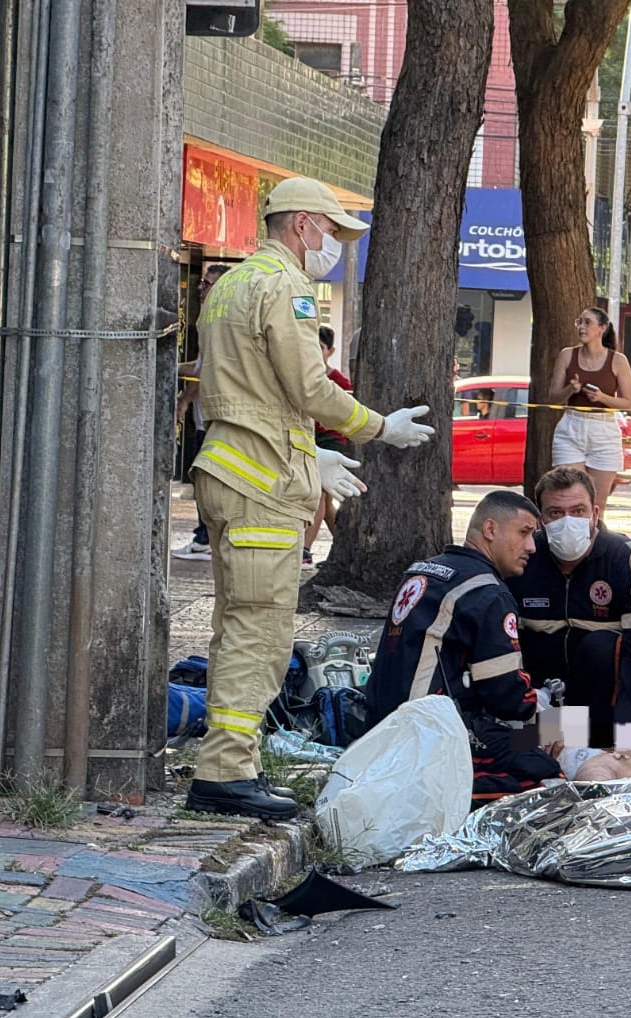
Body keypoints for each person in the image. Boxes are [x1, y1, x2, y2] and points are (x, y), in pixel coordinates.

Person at [187, 176, 436, 820]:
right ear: (302, 225)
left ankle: (224, 763)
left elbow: (250, 392)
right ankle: (224, 775)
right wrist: (380, 427)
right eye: (330, 230)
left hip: (230, 467)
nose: (333, 245)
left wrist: (312, 455)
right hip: (261, 482)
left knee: (234, 626)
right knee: (260, 633)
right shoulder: (287, 286)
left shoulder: (230, 285)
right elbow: (309, 386)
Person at [365, 490, 561, 797]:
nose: (532, 547)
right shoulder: (488, 591)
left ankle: (622, 741)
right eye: (524, 532)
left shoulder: (426, 569)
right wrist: (544, 709)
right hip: (426, 735)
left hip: (380, 723)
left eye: (534, 535)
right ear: (490, 529)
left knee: (558, 728)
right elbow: (506, 696)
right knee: (545, 769)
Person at [506, 466, 631, 750]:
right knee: (525, 755)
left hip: (611, 704)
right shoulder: (523, 561)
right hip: (547, 700)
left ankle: (612, 743)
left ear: (595, 514)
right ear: (541, 520)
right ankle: (561, 745)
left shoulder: (624, 559)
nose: (568, 521)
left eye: (578, 511)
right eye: (555, 513)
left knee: (602, 645)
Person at [548, 306, 631, 525]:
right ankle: (567, 548)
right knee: (568, 498)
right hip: (571, 425)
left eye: (587, 323)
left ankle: (594, 548)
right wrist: (570, 389)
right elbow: (552, 397)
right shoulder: (567, 355)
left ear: (602, 328)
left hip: (603, 428)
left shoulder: (618, 360)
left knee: (596, 504)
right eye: (580, 322)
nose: (581, 327)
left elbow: (628, 403)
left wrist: (602, 398)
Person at [175, 263, 229, 560]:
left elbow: (205, 372)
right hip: (204, 417)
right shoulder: (209, 319)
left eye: (207, 285)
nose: (201, 289)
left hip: (210, 417)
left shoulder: (218, 321)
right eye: (202, 284)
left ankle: (206, 538)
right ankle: (205, 536)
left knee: (206, 483)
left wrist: (184, 398)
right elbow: (198, 367)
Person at [304, 324, 352, 564]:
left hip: (332, 439)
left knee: (320, 494)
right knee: (327, 504)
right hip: (310, 438)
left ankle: (305, 548)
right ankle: (345, 549)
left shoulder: (338, 381)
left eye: (320, 347)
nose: (315, 351)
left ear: (330, 351)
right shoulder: (303, 375)